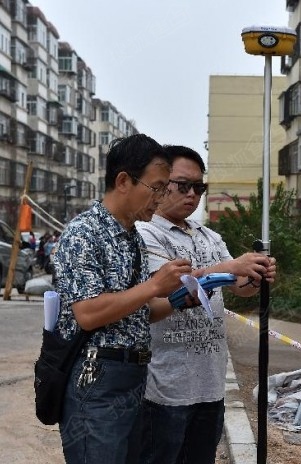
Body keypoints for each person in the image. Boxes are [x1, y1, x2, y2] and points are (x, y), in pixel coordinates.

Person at [51, 134, 194, 464]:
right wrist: (155, 285)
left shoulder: (132, 238)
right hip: (97, 377)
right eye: (156, 187)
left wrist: (179, 298)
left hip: (134, 378)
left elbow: (138, 311)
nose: (161, 198)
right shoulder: (83, 232)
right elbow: (88, 313)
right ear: (123, 181)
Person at [136, 145, 277, 464]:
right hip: (163, 386)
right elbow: (168, 284)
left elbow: (239, 286)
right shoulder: (145, 233)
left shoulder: (210, 237)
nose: (192, 194)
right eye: (182, 185)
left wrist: (256, 274)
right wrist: (230, 267)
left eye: (199, 187)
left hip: (210, 384)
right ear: (161, 182)